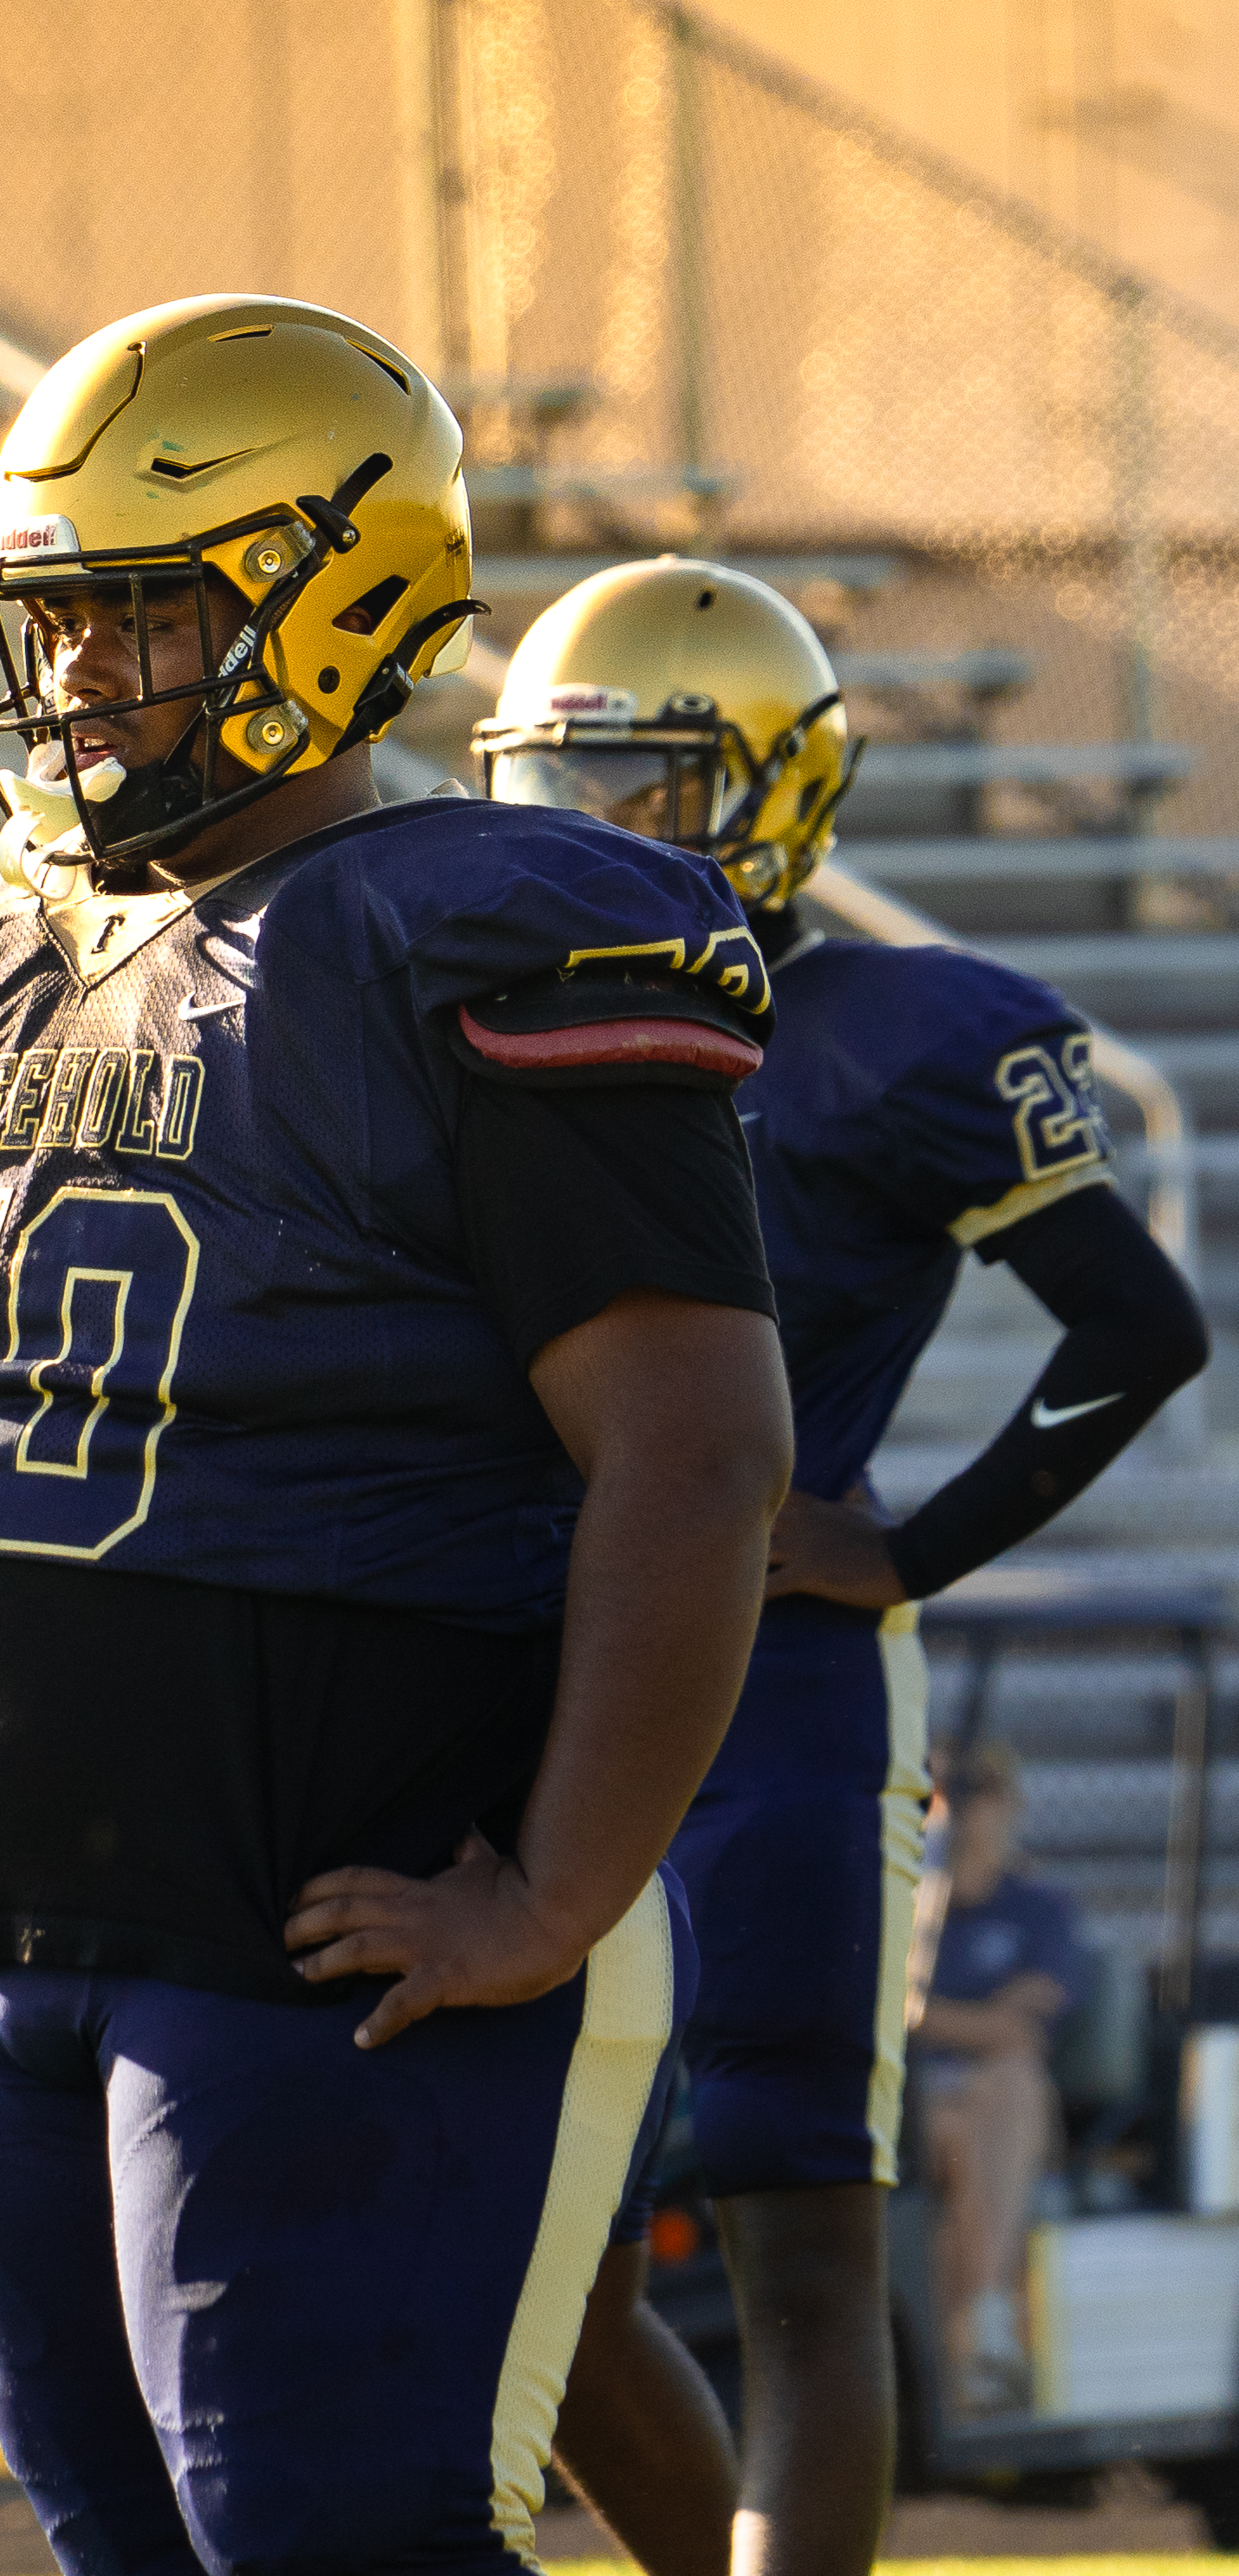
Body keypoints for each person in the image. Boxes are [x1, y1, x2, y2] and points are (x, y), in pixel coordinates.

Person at [0, 298, 795, 2576]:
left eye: (147, 609)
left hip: (315, 1895)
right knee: (133, 2548)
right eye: (61, 612)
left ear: (341, 593)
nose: (87, 672)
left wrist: (549, 1889)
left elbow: (696, 1454)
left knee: (331, 2534)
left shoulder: (482, 930)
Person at [473, 556, 1208, 2576]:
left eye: (636, 787)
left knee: (802, 2245)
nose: (584, 835)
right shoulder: (468, 1025)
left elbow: (1136, 1327)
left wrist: (903, 1548)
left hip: (773, 1695)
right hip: (514, 1673)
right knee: (559, 2253)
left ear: (767, 793)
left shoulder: (891, 1035)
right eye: (553, 784)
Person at [915, 1742, 1086, 2413]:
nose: (960, 1807)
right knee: (971, 2115)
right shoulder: (907, 1907)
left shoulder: (1040, 1908)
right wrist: (975, 2020)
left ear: (1008, 1804)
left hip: (995, 2108)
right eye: (944, 1791)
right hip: (920, 2109)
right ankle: (987, 2333)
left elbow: (1022, 2032)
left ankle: (973, 2331)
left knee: (1007, 2086)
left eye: (978, 1789)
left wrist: (929, 2017)